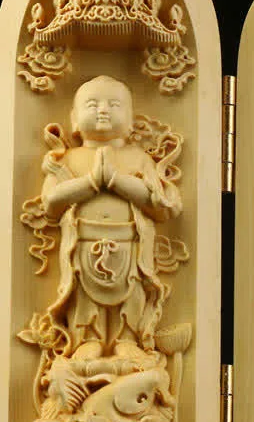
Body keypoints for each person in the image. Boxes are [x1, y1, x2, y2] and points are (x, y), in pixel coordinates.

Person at [37, 75, 181, 365]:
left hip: (130, 245)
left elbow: (160, 203)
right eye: (92, 105)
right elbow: (51, 202)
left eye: (114, 105)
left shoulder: (138, 158)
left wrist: (115, 180)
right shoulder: (70, 159)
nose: (103, 110)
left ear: (130, 121)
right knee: (83, 295)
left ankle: (127, 339)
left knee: (132, 292)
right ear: (74, 119)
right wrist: (91, 182)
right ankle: (86, 340)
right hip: (82, 243)